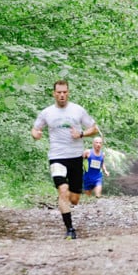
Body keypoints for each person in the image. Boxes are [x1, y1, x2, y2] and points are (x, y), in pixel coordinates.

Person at [31, 79, 99, 239]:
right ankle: (70, 229)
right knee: (62, 191)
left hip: (75, 157)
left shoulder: (78, 110)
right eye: (59, 92)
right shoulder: (47, 112)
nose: (62, 95)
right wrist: (36, 135)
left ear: (68, 93)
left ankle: (66, 200)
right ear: (54, 93)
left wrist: (81, 134)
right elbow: (35, 129)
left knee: (74, 199)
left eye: (64, 92)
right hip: (57, 157)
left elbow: (94, 128)